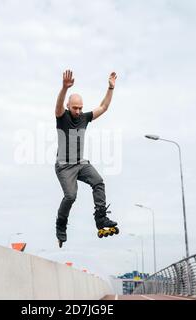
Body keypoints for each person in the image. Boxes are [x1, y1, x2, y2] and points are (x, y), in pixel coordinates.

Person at [54, 69, 118, 247]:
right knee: (71, 196)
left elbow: (104, 107)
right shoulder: (62, 116)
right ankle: (61, 225)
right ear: (69, 106)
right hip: (64, 166)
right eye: (75, 108)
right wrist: (64, 88)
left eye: (80, 108)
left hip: (80, 164)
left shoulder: (84, 118)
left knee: (98, 181)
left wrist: (110, 88)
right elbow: (58, 106)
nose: (78, 111)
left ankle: (101, 218)